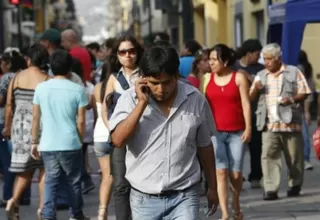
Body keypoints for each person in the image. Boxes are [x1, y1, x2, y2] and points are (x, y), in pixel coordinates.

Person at [108, 44, 218, 220]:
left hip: (185, 196)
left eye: (166, 82)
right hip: (144, 200)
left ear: (176, 76)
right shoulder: (129, 100)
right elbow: (118, 140)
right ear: (143, 79)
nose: (161, 89)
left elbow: (205, 146)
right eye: (154, 83)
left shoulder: (195, 99)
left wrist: (213, 187)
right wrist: (141, 104)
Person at [31, 49, 89, 220]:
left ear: (50, 67)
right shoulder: (78, 89)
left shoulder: (41, 88)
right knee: (73, 181)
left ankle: (48, 214)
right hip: (70, 142)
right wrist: (79, 139)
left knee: (51, 181)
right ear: (70, 68)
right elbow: (81, 121)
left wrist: (34, 142)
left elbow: (36, 118)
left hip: (48, 143)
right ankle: (76, 214)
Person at [250, 43, 310, 201]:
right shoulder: (261, 75)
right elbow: (251, 97)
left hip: (291, 123)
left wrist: (290, 99)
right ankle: (271, 189)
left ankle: (295, 184)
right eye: (265, 59)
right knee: (268, 156)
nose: (266, 62)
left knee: (294, 158)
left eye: (269, 59)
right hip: (269, 124)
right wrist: (255, 89)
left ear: (278, 59)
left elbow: (304, 92)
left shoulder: (293, 71)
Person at [205, 44, 251, 220]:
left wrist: (248, 127)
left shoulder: (238, 77)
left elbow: (246, 103)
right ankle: (225, 213)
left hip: (236, 132)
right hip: (215, 132)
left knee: (236, 173)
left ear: (225, 60)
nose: (211, 63)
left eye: (214, 59)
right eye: (209, 59)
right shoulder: (207, 78)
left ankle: (236, 199)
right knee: (221, 172)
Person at [4, 44, 50, 220]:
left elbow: (9, 106)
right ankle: (41, 210)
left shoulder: (16, 78)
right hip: (41, 130)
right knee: (44, 170)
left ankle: (13, 201)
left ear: (28, 59)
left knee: (24, 171)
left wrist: (7, 127)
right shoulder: (47, 79)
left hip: (20, 128)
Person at [101, 35, 143, 220]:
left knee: (141, 183)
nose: (128, 55)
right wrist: (111, 127)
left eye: (131, 51)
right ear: (117, 55)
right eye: (123, 52)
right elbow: (105, 107)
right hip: (119, 138)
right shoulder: (113, 78)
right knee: (120, 185)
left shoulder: (146, 74)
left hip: (143, 135)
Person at [0, 51, 31, 207]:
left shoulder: (7, 78)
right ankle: (24, 196)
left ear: (9, 64)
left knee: (8, 161)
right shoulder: (26, 77)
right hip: (24, 121)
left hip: (6, 121)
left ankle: (7, 195)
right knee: (24, 162)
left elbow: (2, 102)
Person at [234, 39, 264, 188]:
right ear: (249, 53)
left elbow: (262, 85)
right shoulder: (233, 67)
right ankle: (236, 176)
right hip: (237, 114)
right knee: (237, 148)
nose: (259, 57)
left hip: (255, 113)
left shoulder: (259, 68)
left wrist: (247, 76)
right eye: (257, 54)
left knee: (256, 147)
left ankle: (255, 176)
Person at [91, 56, 118, 220]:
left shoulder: (97, 88)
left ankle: (102, 210)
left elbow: (96, 114)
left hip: (99, 134)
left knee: (106, 176)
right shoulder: (118, 85)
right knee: (118, 176)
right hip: (114, 133)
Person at [298, 50, 314, 170]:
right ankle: (306, 159)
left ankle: (301, 159)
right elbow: (310, 91)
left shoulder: (297, 68)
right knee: (305, 134)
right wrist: (307, 111)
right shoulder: (307, 68)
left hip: (294, 105)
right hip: (303, 106)